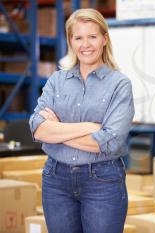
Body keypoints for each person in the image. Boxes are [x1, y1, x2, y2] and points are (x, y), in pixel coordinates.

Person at [29, 8, 134, 233]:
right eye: (78, 38)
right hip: (56, 179)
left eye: (92, 37)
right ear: (70, 41)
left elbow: (108, 142)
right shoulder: (57, 80)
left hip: (102, 181)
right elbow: (38, 129)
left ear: (104, 39)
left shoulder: (119, 84)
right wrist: (87, 128)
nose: (85, 44)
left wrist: (56, 132)